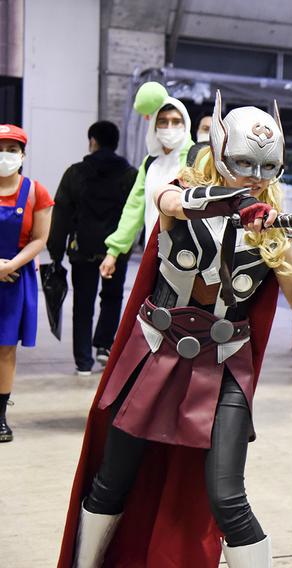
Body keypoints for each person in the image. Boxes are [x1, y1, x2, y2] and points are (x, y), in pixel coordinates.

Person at [58, 91, 292, 568]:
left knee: (228, 497)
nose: (255, 178)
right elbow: (167, 200)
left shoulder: (276, 230)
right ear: (217, 151)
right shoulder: (183, 191)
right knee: (113, 480)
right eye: (242, 164)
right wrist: (231, 201)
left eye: (266, 168)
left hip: (224, 361)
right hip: (157, 350)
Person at [48, 121, 138, 374]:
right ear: (116, 143)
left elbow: (62, 214)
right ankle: (103, 346)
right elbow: (134, 214)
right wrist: (126, 247)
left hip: (83, 250)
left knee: (83, 305)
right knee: (112, 298)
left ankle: (83, 361)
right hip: (115, 250)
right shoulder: (130, 174)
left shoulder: (75, 173)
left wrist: (55, 252)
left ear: (93, 141)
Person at [98, 83, 194, 282]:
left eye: (176, 122)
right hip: (155, 252)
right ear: (153, 126)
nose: (170, 127)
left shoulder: (198, 158)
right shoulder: (150, 162)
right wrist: (113, 251)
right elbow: (134, 207)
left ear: (186, 124)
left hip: (191, 257)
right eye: (163, 121)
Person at [0, 124, 53, 443]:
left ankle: (1, 416)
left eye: (11, 150)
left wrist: (11, 265)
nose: (5, 156)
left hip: (16, 278)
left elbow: (40, 239)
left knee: (5, 349)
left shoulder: (35, 191)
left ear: (22, 155)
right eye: (0, 148)